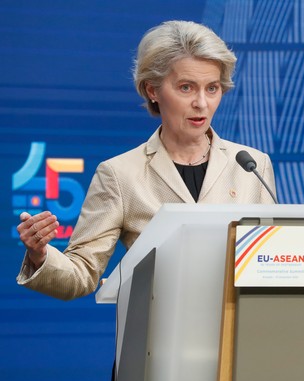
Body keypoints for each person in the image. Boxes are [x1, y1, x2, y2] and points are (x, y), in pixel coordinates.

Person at [15, 20, 277, 301]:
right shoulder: (119, 174)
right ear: (152, 90)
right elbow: (81, 274)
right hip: (158, 338)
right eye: (187, 88)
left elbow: (277, 260)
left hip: (241, 334)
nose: (202, 103)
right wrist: (40, 255)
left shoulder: (252, 166)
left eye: (212, 88)